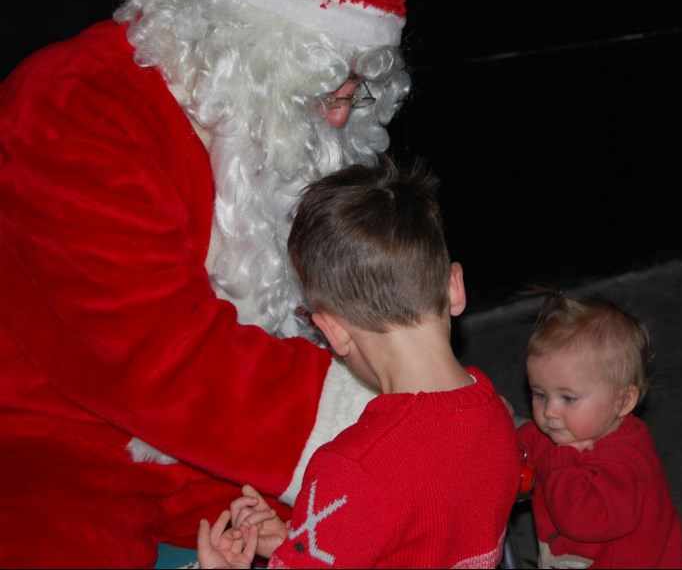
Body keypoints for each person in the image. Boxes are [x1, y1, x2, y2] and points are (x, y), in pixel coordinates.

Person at [0, 0, 414, 567]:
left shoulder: (282, 120)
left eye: (358, 88)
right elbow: (158, 356)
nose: (340, 117)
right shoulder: (77, 109)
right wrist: (385, 419)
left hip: (226, 432)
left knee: (407, 522)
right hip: (54, 430)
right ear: (246, 45)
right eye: (326, 81)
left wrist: (426, 394)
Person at [196, 155, 523, 569]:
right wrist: (298, 543)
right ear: (454, 287)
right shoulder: (497, 415)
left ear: (333, 332)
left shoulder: (354, 468)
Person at [517, 289, 682, 569]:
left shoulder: (624, 462)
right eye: (539, 394)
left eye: (568, 398)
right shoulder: (558, 431)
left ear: (622, 401)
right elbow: (516, 445)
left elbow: (582, 520)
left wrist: (560, 460)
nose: (550, 412)